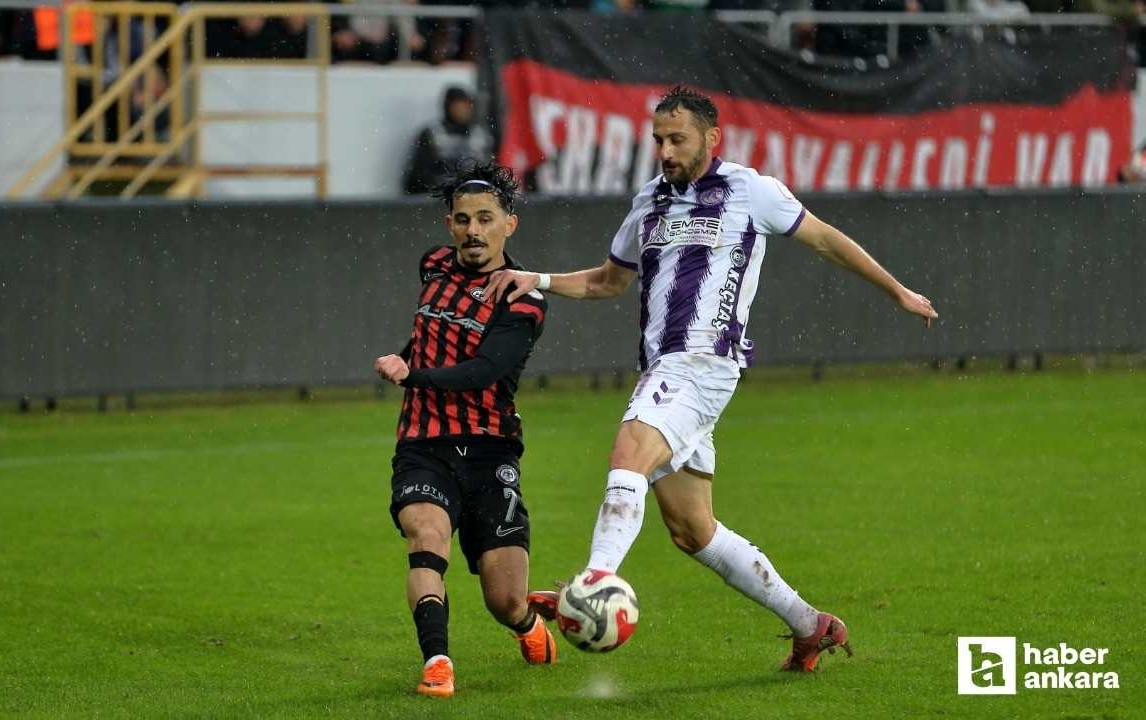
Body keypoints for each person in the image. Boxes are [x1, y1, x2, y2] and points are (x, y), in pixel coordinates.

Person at [484, 86, 938, 672]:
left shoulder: (750, 190)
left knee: (628, 455)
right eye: (658, 140)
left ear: (711, 137)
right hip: (664, 368)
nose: (666, 151)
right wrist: (539, 279)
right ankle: (811, 625)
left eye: (678, 139)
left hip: (702, 363)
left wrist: (897, 291)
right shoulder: (650, 201)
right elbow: (607, 281)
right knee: (691, 529)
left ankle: (595, 583)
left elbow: (826, 239)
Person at [373, 161, 556, 698]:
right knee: (426, 539)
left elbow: (485, 370)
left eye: (485, 219)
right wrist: (407, 356)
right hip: (423, 443)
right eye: (462, 219)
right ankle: (437, 662)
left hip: (489, 449)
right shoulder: (433, 265)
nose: (473, 230)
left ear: (509, 225)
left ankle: (527, 619)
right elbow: (430, 334)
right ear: (449, 224)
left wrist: (412, 375)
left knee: (504, 601)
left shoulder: (523, 299)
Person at [402, 86, 494, 195]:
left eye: (466, 105)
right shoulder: (433, 134)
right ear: (448, 106)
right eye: (458, 105)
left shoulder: (480, 135)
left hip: (475, 195)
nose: (462, 110)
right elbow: (418, 175)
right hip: (440, 196)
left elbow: (489, 168)